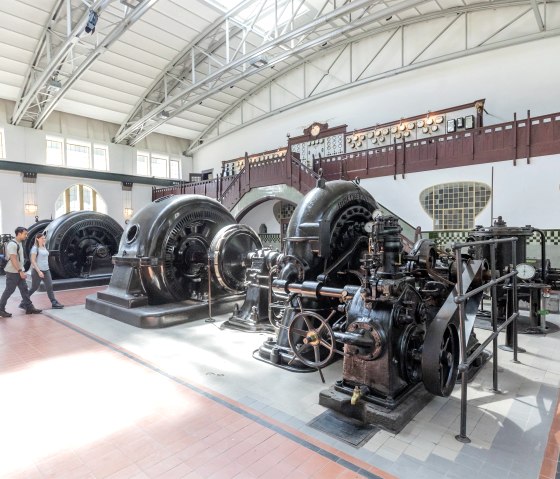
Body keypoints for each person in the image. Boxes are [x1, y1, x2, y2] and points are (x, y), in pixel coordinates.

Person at [0, 227, 42, 317]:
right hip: (13, 272)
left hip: (18, 271)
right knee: (9, 290)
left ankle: (29, 307)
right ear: (19, 233)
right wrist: (20, 271)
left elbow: (19, 260)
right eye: (25, 234)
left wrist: (22, 270)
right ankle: (0, 309)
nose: (26, 236)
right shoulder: (12, 244)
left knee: (24, 289)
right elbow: (14, 259)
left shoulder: (19, 243)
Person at [26, 233, 64, 309]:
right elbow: (33, 261)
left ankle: (54, 302)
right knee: (34, 287)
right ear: (37, 239)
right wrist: (39, 271)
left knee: (49, 286)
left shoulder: (44, 246)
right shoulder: (35, 248)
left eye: (44, 238)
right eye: (42, 238)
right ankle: (24, 301)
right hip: (37, 271)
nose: (44, 239)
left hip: (46, 270)